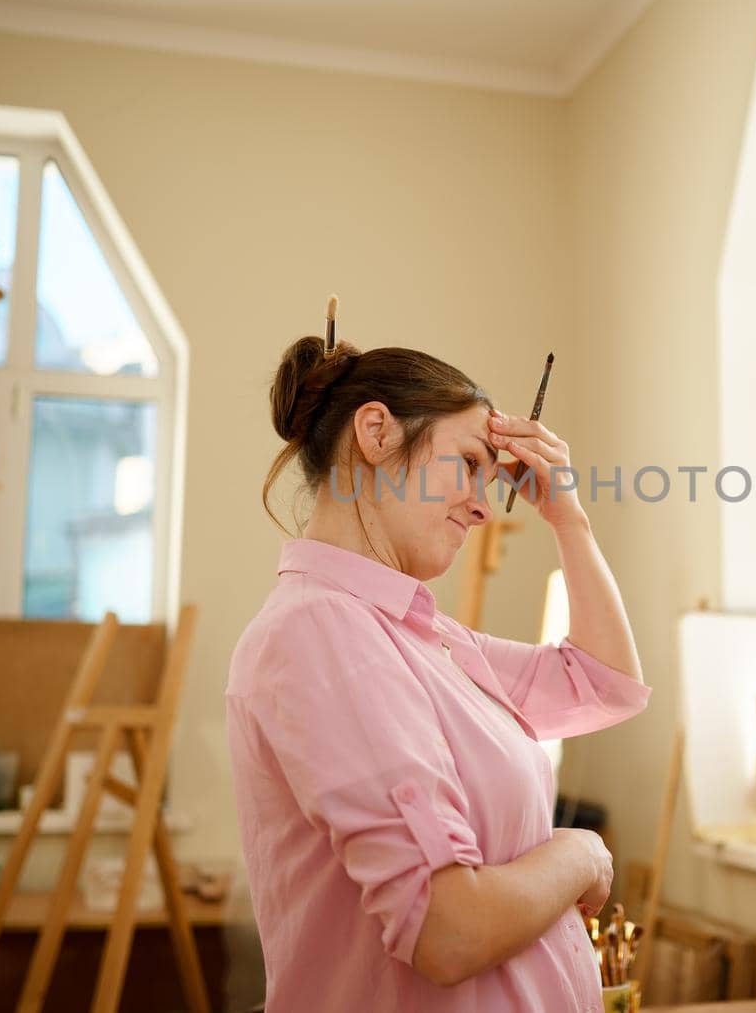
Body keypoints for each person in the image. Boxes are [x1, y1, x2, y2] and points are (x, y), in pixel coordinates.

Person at [226, 332, 650, 1011]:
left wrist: (568, 517)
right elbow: (445, 928)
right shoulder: (321, 632)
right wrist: (580, 855)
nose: (485, 505)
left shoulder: (425, 638)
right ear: (375, 432)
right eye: (470, 462)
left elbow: (604, 683)